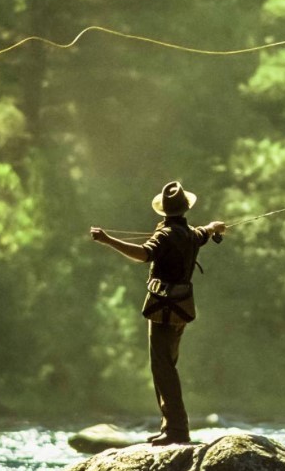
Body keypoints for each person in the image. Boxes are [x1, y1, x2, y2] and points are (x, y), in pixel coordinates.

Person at [89, 181, 226, 446]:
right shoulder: (191, 233)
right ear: (186, 208)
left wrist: (107, 240)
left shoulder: (165, 236)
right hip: (182, 307)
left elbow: (143, 254)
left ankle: (177, 430)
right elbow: (207, 230)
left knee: (163, 368)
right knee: (166, 366)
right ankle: (170, 427)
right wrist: (216, 227)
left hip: (164, 309)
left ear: (164, 211)